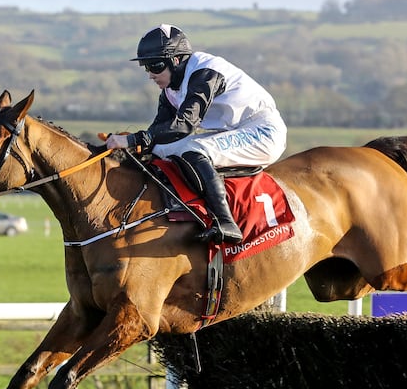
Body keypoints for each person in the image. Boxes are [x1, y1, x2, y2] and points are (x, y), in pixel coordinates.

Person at [106, 24, 287, 244]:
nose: (150, 75)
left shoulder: (205, 72)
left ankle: (225, 222)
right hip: (236, 130)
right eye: (145, 67)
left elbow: (184, 126)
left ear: (175, 60)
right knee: (160, 150)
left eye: (154, 66)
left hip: (264, 131)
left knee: (192, 150)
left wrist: (133, 139)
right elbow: (159, 133)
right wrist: (134, 146)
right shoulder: (170, 90)